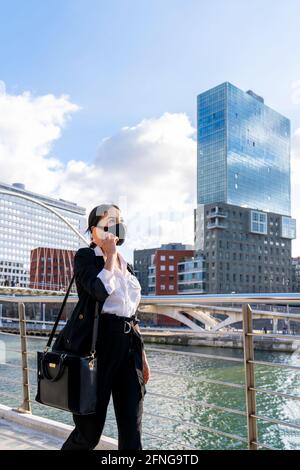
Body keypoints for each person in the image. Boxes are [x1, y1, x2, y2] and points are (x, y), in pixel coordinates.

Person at [54, 203, 151, 450]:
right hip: (97, 347)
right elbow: (98, 291)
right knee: (89, 431)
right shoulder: (86, 257)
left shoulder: (127, 266)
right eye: (108, 223)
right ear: (93, 229)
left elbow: (130, 312)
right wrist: (108, 257)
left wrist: (143, 356)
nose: (114, 228)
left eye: (118, 222)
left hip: (129, 347)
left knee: (132, 428)